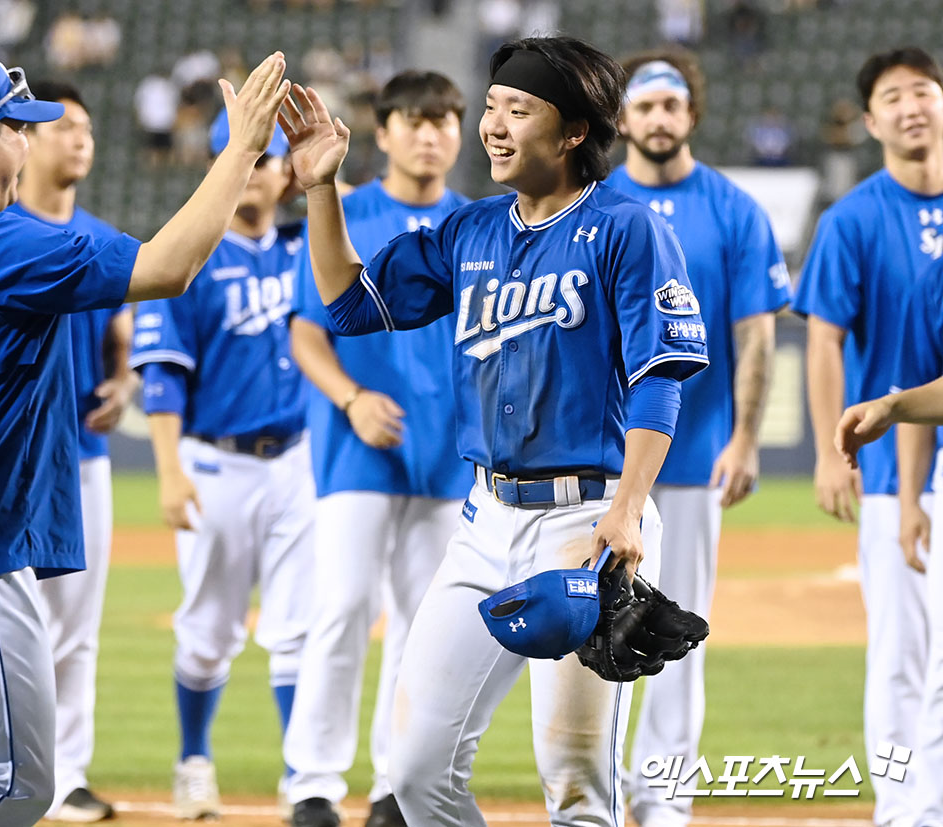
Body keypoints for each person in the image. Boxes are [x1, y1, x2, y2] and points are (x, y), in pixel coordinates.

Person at [0, 53, 291, 825]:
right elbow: (167, 267)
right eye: (21, 127)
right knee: (10, 782)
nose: (34, 141)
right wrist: (242, 148)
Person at [278, 35, 708, 827]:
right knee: (413, 771)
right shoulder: (471, 229)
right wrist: (320, 189)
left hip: (588, 519)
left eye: (519, 108)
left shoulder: (626, 229)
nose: (494, 126)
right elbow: (346, 303)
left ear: (575, 130)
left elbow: (661, 376)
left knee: (577, 778)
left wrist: (626, 513)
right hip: (482, 524)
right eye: (491, 107)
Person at [605, 50, 789, 826]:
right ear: (622, 119)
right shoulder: (595, 200)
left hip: (692, 454)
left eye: (670, 105)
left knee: (680, 631)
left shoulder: (734, 208)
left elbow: (755, 333)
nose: (657, 118)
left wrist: (745, 439)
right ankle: (599, 789)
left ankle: (664, 796)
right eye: (643, 105)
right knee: (596, 630)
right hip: (602, 463)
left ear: (691, 113)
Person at [281, 70, 469, 827]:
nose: (430, 135)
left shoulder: (478, 222)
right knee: (344, 607)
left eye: (444, 120)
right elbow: (305, 329)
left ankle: (397, 780)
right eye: (414, 121)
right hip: (356, 447)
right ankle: (313, 781)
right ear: (383, 132)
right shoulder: (344, 209)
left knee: (424, 625)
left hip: (449, 452)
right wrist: (352, 398)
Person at [130, 108, 313, 821]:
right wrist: (170, 470)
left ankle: (304, 772)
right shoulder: (188, 259)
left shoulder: (304, 250)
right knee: (209, 629)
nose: (254, 173)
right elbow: (162, 379)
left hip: (296, 461)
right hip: (215, 465)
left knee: (299, 625)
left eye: (266, 160)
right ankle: (194, 759)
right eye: (239, 159)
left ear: (282, 172)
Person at [793, 46, 943, 827]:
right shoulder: (853, 217)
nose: (914, 105)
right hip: (894, 468)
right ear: (871, 118)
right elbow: (824, 339)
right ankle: (901, 808)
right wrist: (827, 449)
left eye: (926, 90)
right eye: (895, 96)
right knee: (900, 656)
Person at [7, 79, 135, 823]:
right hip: (12, 459)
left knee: (77, 630)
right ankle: (3, 765)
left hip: (83, 456)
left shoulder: (97, 234)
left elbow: (119, 341)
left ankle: (68, 772)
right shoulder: (1, 230)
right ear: (28, 137)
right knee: (9, 620)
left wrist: (121, 383)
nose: (82, 137)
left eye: (88, 126)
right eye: (66, 125)